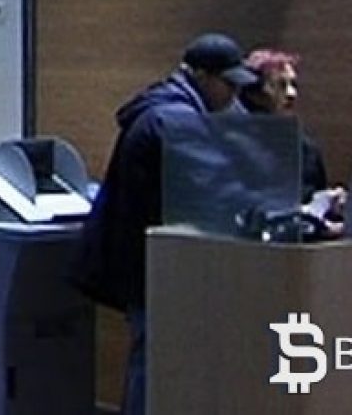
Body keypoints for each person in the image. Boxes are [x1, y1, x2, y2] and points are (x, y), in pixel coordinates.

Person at [74, 33, 258, 415]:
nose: (234, 95)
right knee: (153, 363)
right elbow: (213, 186)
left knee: (150, 358)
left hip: (145, 263)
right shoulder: (175, 119)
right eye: (228, 85)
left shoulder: (164, 109)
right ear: (202, 76)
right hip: (156, 268)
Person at [240, 49, 345, 222]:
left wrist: (331, 202)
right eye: (281, 85)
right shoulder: (234, 144)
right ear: (254, 94)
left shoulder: (306, 149)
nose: (291, 94)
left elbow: (314, 195)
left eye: (293, 85)